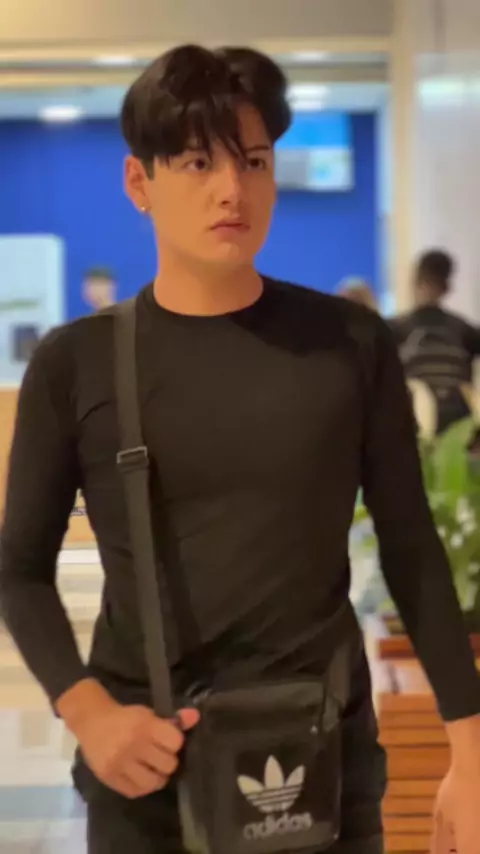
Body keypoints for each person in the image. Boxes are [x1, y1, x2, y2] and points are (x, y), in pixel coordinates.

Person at [1, 45, 480, 854]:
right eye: (198, 163)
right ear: (139, 183)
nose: (233, 189)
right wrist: (87, 711)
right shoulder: (77, 363)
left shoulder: (349, 343)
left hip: (322, 762)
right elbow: (18, 568)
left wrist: (469, 748)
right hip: (149, 773)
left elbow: (410, 546)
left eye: (254, 161)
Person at [390, 250, 480, 433]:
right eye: (427, 282)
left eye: (433, 283)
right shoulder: (395, 330)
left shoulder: (464, 332)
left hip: (454, 426)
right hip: (415, 421)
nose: (428, 289)